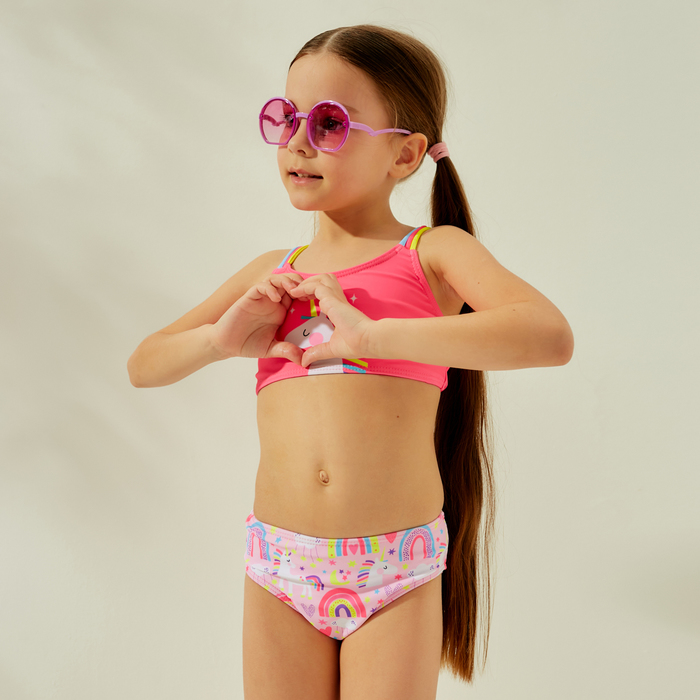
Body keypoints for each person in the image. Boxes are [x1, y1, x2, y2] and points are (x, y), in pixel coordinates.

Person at [128, 23, 574, 700]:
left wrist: (374, 338)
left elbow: (548, 336)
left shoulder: (432, 254)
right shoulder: (272, 272)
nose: (298, 141)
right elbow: (144, 364)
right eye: (287, 118)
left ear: (405, 153)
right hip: (280, 563)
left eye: (330, 123)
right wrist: (221, 340)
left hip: (392, 567)